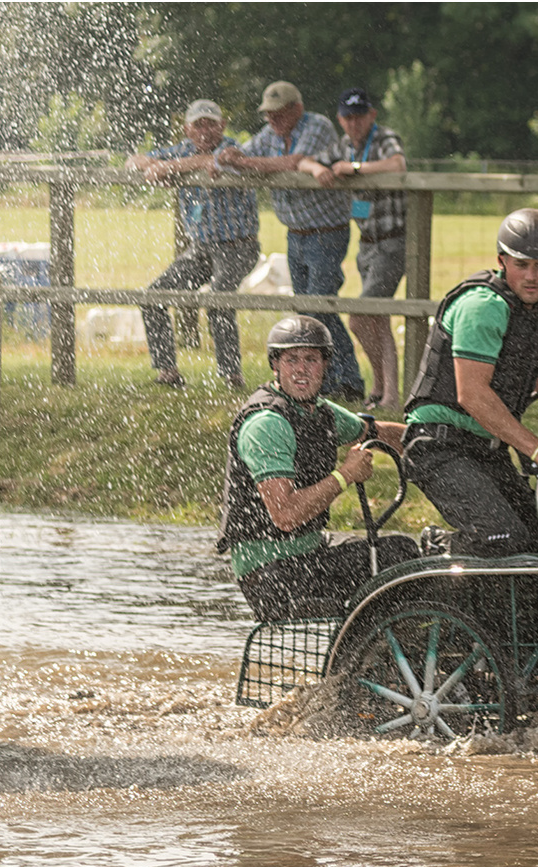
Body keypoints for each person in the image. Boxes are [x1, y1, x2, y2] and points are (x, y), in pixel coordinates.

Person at [402, 209, 538, 558]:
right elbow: (472, 395)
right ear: (502, 260)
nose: (532, 276)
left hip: (485, 449)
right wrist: (536, 450)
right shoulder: (482, 306)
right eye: (521, 265)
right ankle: (433, 556)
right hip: (439, 447)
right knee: (500, 537)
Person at [221, 315, 417, 620]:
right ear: (275, 365)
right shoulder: (267, 424)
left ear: (325, 365)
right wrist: (346, 474)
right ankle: (374, 660)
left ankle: (375, 659)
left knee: (403, 551)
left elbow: (377, 432)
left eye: (311, 359)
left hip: (306, 554)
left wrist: (439, 443)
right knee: (397, 559)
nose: (301, 368)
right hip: (272, 579)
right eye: (292, 359)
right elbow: (285, 514)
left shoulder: (318, 412)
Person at [219, 80, 362, 400]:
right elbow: (241, 157)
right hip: (296, 234)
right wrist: (231, 156)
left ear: (296, 109)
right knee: (307, 308)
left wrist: (243, 162)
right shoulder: (269, 135)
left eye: (279, 114)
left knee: (319, 306)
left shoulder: (318, 127)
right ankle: (329, 380)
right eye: (268, 115)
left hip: (326, 231)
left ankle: (346, 380)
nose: (272, 120)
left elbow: (294, 161)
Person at [127, 99, 260, 390]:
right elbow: (133, 160)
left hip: (238, 246)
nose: (204, 130)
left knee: (218, 298)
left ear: (222, 125)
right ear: (187, 129)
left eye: (210, 123)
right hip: (201, 249)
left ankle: (231, 376)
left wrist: (169, 168)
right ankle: (167, 372)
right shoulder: (182, 150)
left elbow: (210, 162)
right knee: (154, 295)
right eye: (198, 125)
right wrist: (154, 166)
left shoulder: (232, 149)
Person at [329, 87, 408, 411]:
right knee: (378, 320)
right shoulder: (345, 145)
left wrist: (356, 169)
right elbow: (323, 162)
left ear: (371, 116)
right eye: (348, 117)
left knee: (360, 318)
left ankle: (388, 390)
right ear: (340, 119)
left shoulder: (384, 138)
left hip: (392, 241)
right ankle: (384, 391)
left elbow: (398, 165)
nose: (353, 123)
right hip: (366, 245)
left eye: (359, 116)